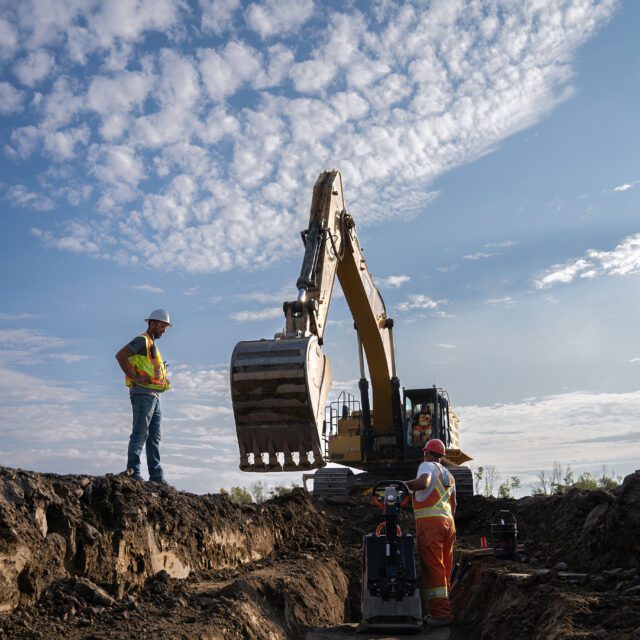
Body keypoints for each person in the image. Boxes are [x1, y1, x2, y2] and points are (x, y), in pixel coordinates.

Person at [115, 309, 172, 485]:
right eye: (162, 326)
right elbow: (121, 355)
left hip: (154, 395)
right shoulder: (142, 340)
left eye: (166, 327)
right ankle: (133, 472)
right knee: (140, 433)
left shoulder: (151, 345)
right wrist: (135, 377)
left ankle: (156, 477)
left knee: (154, 438)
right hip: (143, 394)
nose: (164, 330)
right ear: (152, 324)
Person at [406, 438, 456, 627]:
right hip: (448, 524)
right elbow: (454, 504)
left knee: (433, 567)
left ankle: (441, 614)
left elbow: (423, 483)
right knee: (444, 568)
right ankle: (444, 608)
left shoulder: (426, 466)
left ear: (426, 453)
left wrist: (401, 484)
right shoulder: (449, 475)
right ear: (441, 456)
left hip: (431, 526)